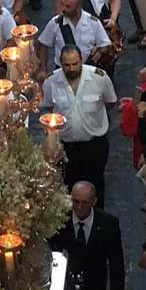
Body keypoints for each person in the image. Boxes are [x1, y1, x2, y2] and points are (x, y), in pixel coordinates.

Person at [41, 45, 118, 207]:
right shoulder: (51, 82)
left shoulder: (99, 78)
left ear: (81, 60)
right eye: (67, 65)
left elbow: (110, 102)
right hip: (65, 148)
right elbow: (49, 107)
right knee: (66, 190)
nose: (71, 69)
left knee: (95, 188)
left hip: (94, 146)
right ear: (60, 63)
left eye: (75, 64)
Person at [49, 181, 126, 290]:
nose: (79, 207)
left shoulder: (108, 224)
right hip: (64, 284)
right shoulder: (59, 220)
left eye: (85, 203)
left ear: (94, 201)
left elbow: (116, 265)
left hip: (95, 286)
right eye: (75, 201)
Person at [37, 0, 111, 71]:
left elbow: (105, 45)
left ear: (78, 8)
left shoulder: (93, 23)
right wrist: (43, 69)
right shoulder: (56, 23)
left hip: (86, 69)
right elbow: (43, 46)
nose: (63, 9)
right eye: (63, 4)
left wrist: (100, 51)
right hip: (62, 69)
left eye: (68, 6)